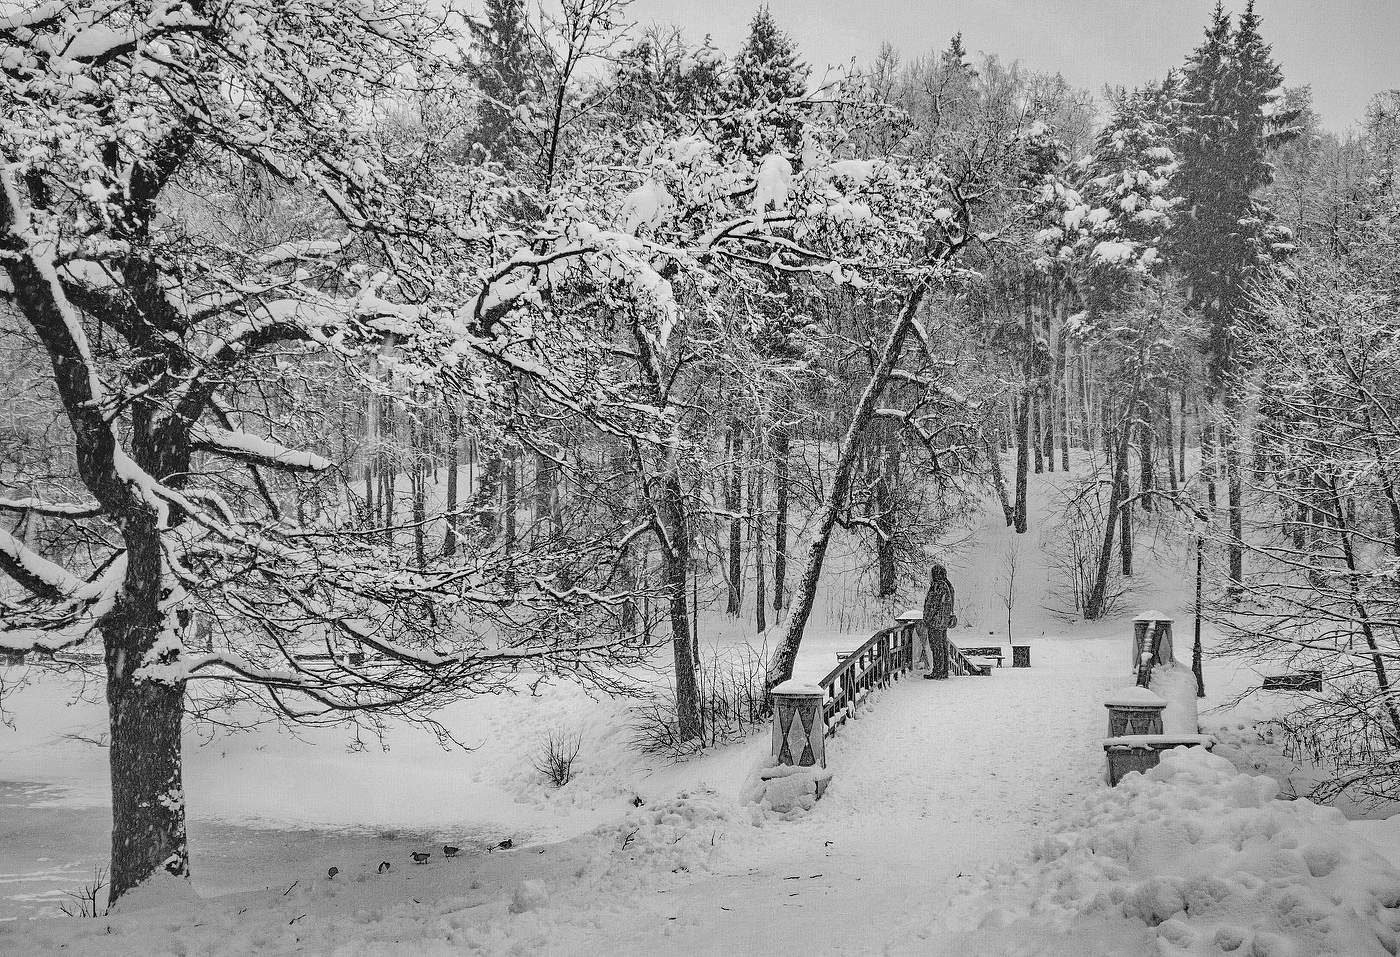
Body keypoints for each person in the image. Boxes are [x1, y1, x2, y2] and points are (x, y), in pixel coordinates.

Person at [920, 563, 956, 679]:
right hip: (943, 622)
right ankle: (943, 671)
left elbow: (932, 605)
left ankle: (937, 672)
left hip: (935, 622)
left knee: (936, 647)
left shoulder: (938, 586)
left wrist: (926, 619)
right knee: (942, 647)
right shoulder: (947, 585)